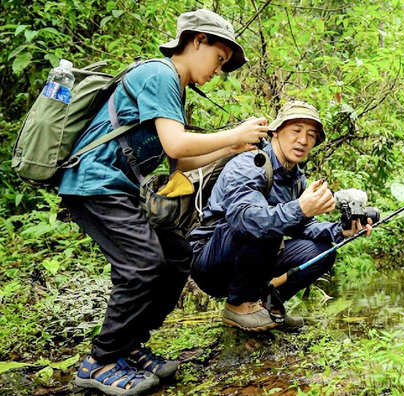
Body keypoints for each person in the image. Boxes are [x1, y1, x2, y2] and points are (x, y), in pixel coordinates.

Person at [58, 9, 268, 396]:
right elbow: (176, 143)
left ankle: (129, 345)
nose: (219, 70)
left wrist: (232, 145)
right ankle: (100, 360)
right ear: (196, 41)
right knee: (143, 264)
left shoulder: (174, 86)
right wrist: (233, 132)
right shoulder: (159, 74)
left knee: (175, 256)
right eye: (219, 58)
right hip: (93, 183)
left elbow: (180, 159)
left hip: (118, 187)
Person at [189, 100, 373, 332]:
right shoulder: (249, 163)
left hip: (252, 254)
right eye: (296, 131)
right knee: (265, 225)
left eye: (311, 135)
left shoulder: (296, 178)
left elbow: (301, 227)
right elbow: (245, 220)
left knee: (323, 251)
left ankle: (267, 307)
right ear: (275, 132)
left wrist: (341, 230)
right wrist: (300, 208)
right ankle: (237, 307)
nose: (303, 140)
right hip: (212, 259)